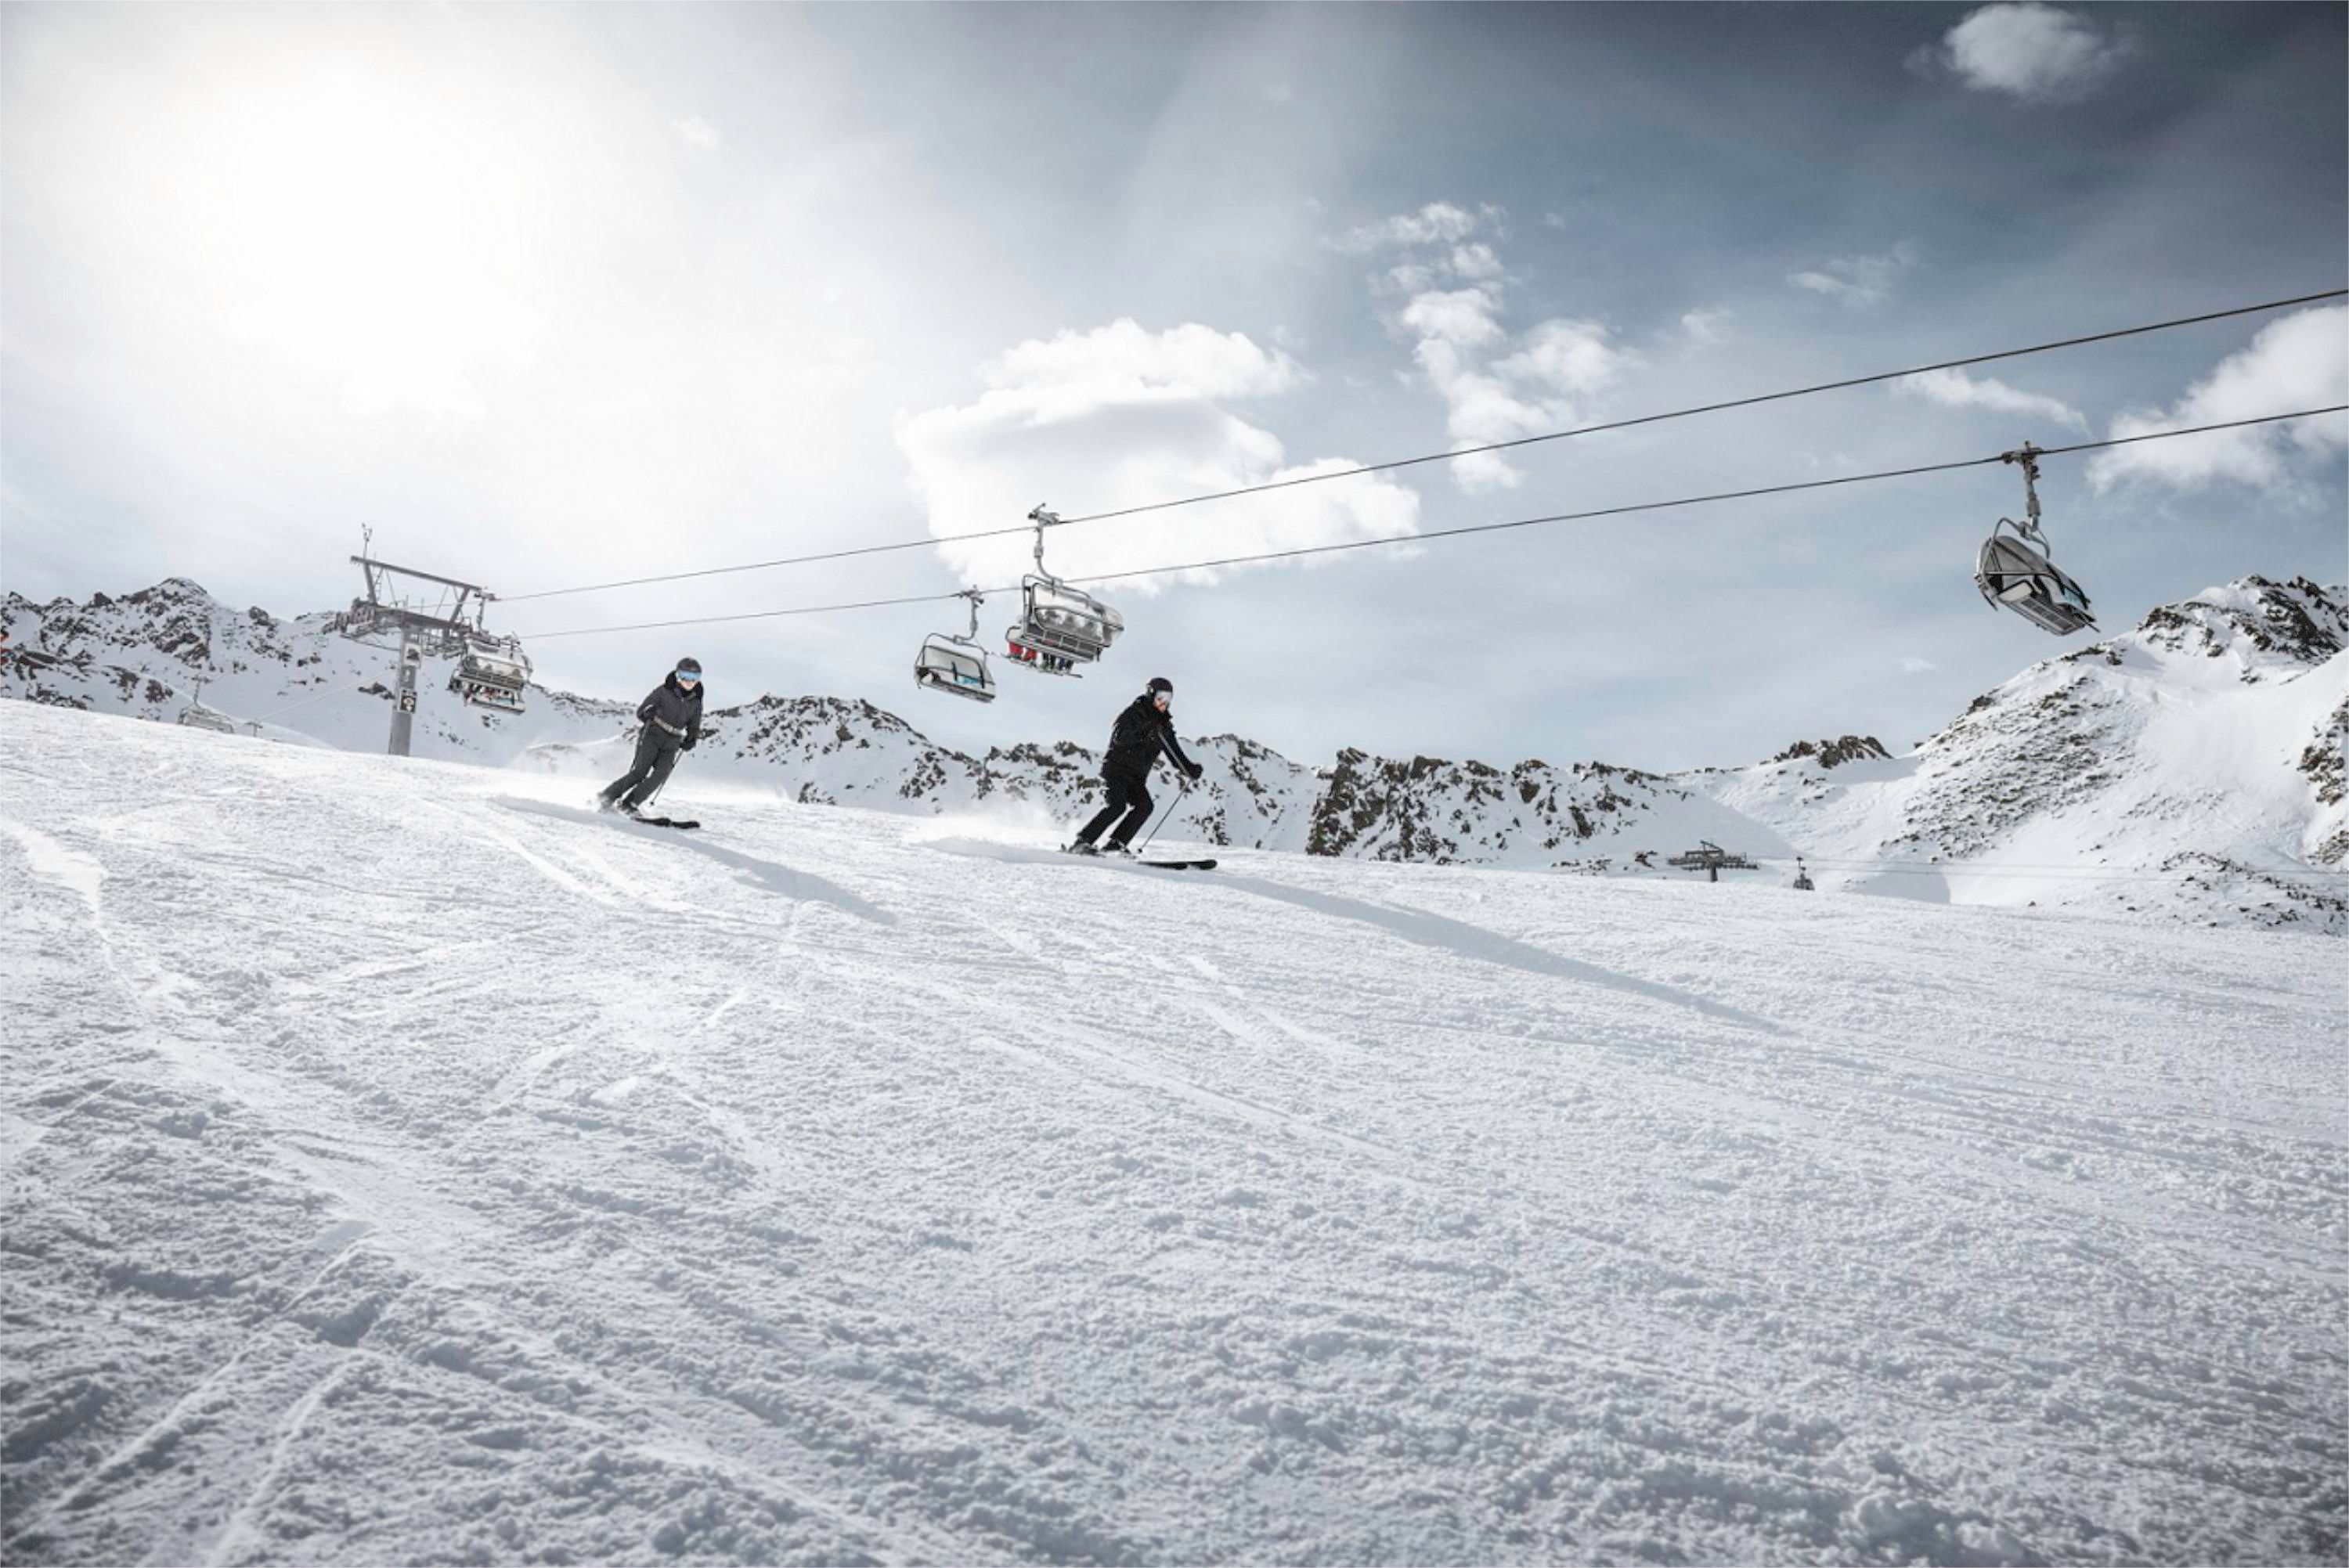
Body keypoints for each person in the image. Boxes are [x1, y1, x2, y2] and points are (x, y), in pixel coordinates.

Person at [1070, 676, 1203, 856]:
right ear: (1151, 694)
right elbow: (1120, 737)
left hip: (1136, 777)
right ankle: (1082, 842)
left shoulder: (1164, 727)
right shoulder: (1134, 713)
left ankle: (1116, 845)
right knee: (1117, 806)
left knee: (1145, 806)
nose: (1164, 702)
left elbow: (1175, 754)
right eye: (1161, 697)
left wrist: (1190, 769)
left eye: (1169, 699)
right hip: (1117, 769)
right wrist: (1144, 732)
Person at [598, 658, 704, 816]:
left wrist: (691, 738)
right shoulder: (663, 691)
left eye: (694, 677)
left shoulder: (696, 701)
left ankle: (630, 803)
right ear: (677, 675)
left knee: (661, 774)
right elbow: (642, 709)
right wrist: (648, 712)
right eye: (685, 676)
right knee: (640, 771)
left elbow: (694, 724)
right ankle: (607, 796)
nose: (689, 681)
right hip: (653, 733)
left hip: (673, 741)